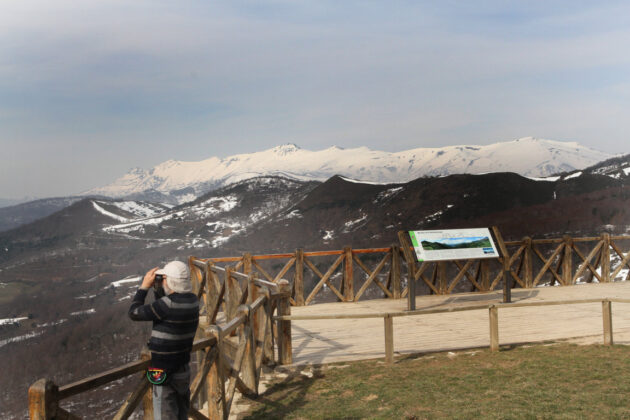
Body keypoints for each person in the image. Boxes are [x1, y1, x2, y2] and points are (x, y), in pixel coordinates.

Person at [128, 260, 199, 420]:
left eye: (164, 278)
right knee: (182, 414)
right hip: (183, 370)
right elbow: (165, 304)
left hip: (163, 372)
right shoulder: (193, 301)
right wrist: (160, 286)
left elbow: (134, 312)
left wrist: (144, 287)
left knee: (165, 416)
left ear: (171, 281)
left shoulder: (167, 305)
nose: (162, 281)